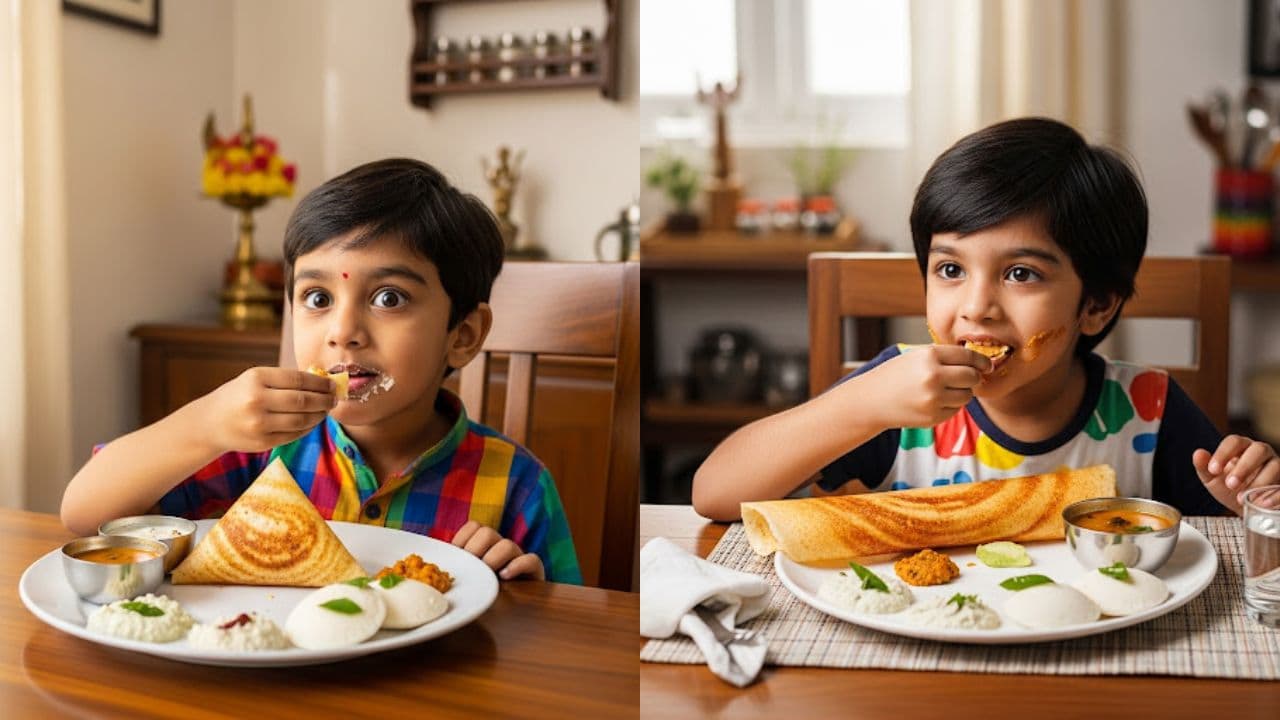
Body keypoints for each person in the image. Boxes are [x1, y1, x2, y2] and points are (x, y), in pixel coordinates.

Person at [692, 117, 1279, 522]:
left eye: (1021, 274)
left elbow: (1240, 550)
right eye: (950, 270)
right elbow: (713, 494)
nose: (976, 307)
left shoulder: (1149, 411)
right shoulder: (893, 398)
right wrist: (862, 404)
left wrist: (1252, 502)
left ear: (1096, 303)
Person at [62, 158, 582, 584]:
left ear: (462, 335)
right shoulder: (259, 453)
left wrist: (523, 600)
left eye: (388, 297)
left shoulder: (519, 486)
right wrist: (206, 423)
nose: (343, 330)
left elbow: (566, 648)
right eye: (317, 297)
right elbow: (84, 516)